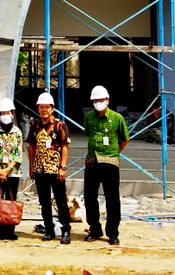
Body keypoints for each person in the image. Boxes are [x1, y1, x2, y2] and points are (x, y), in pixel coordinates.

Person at [82, 85, 129, 245]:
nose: (98, 103)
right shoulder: (89, 117)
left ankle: (112, 233)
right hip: (92, 161)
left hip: (110, 161)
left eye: (101, 100)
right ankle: (94, 229)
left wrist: (114, 153)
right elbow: (88, 133)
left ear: (107, 100)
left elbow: (124, 139)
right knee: (90, 197)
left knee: (112, 198)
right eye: (95, 100)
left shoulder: (117, 118)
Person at [28, 92, 71, 244]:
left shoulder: (60, 125)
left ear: (52, 108)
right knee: (44, 201)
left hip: (55, 169)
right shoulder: (34, 124)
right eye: (41, 107)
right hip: (40, 169)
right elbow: (31, 146)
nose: (44, 110)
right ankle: (49, 229)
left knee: (61, 201)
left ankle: (65, 230)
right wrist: (32, 166)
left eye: (47, 107)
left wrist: (63, 167)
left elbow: (65, 147)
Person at [0, 96, 22, 240]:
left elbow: (18, 154)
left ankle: (10, 229)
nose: (5, 115)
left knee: (11, 200)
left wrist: (7, 170)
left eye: (7, 112)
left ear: (12, 113)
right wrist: (0, 170)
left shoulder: (17, 132)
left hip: (13, 172)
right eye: (2, 113)